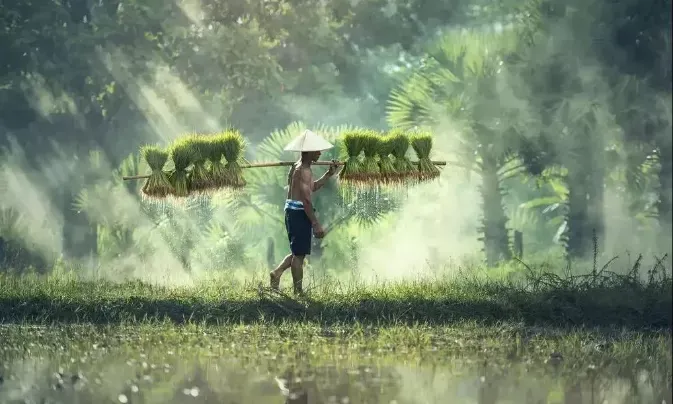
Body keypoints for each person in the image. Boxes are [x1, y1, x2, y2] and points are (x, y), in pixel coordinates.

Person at [269, 129, 341, 295]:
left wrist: (329, 174)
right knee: (299, 256)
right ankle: (298, 292)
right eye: (316, 151)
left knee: (297, 252)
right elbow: (306, 201)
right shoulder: (304, 170)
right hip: (298, 212)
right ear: (308, 152)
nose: (319, 153)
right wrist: (316, 224)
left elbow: (312, 187)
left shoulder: (298, 167)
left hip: (293, 210)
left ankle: (276, 273)